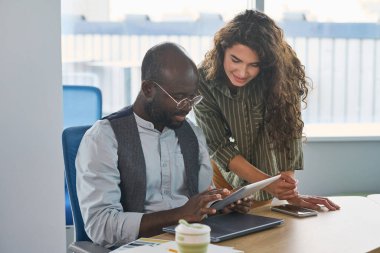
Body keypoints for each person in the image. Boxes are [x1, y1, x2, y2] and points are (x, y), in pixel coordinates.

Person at [76, 42, 254, 248]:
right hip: (137, 247)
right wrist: (179, 215)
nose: (187, 107)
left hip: (191, 243)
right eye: (179, 98)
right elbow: (101, 226)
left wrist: (221, 205)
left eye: (192, 98)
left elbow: (201, 197)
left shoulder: (192, 133)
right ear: (148, 89)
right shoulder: (104, 138)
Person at [194, 10, 340, 211]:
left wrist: (288, 193)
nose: (242, 72)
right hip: (221, 177)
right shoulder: (203, 80)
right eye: (235, 60)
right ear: (222, 50)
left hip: (265, 181)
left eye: (254, 65)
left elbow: (288, 135)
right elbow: (219, 146)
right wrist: (271, 184)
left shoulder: (281, 77)